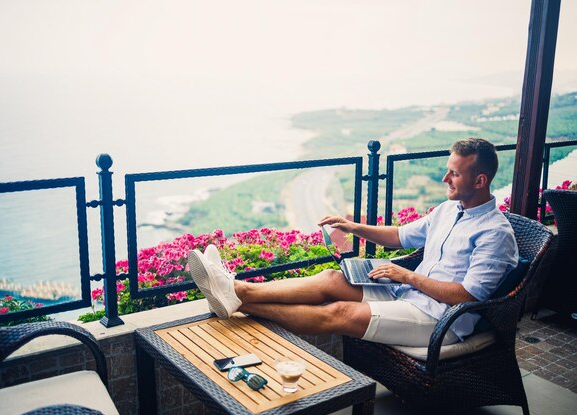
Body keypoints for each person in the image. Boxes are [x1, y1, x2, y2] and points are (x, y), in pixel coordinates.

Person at [188, 138, 518, 347]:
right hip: (406, 292)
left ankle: (235, 297)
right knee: (332, 279)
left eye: (454, 174)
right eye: (447, 170)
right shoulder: (449, 210)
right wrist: (351, 225)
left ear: (480, 180)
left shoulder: (495, 234)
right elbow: (398, 237)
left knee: (340, 312)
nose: (445, 179)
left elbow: (468, 295)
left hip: (441, 319)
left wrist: (406, 276)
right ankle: (236, 290)